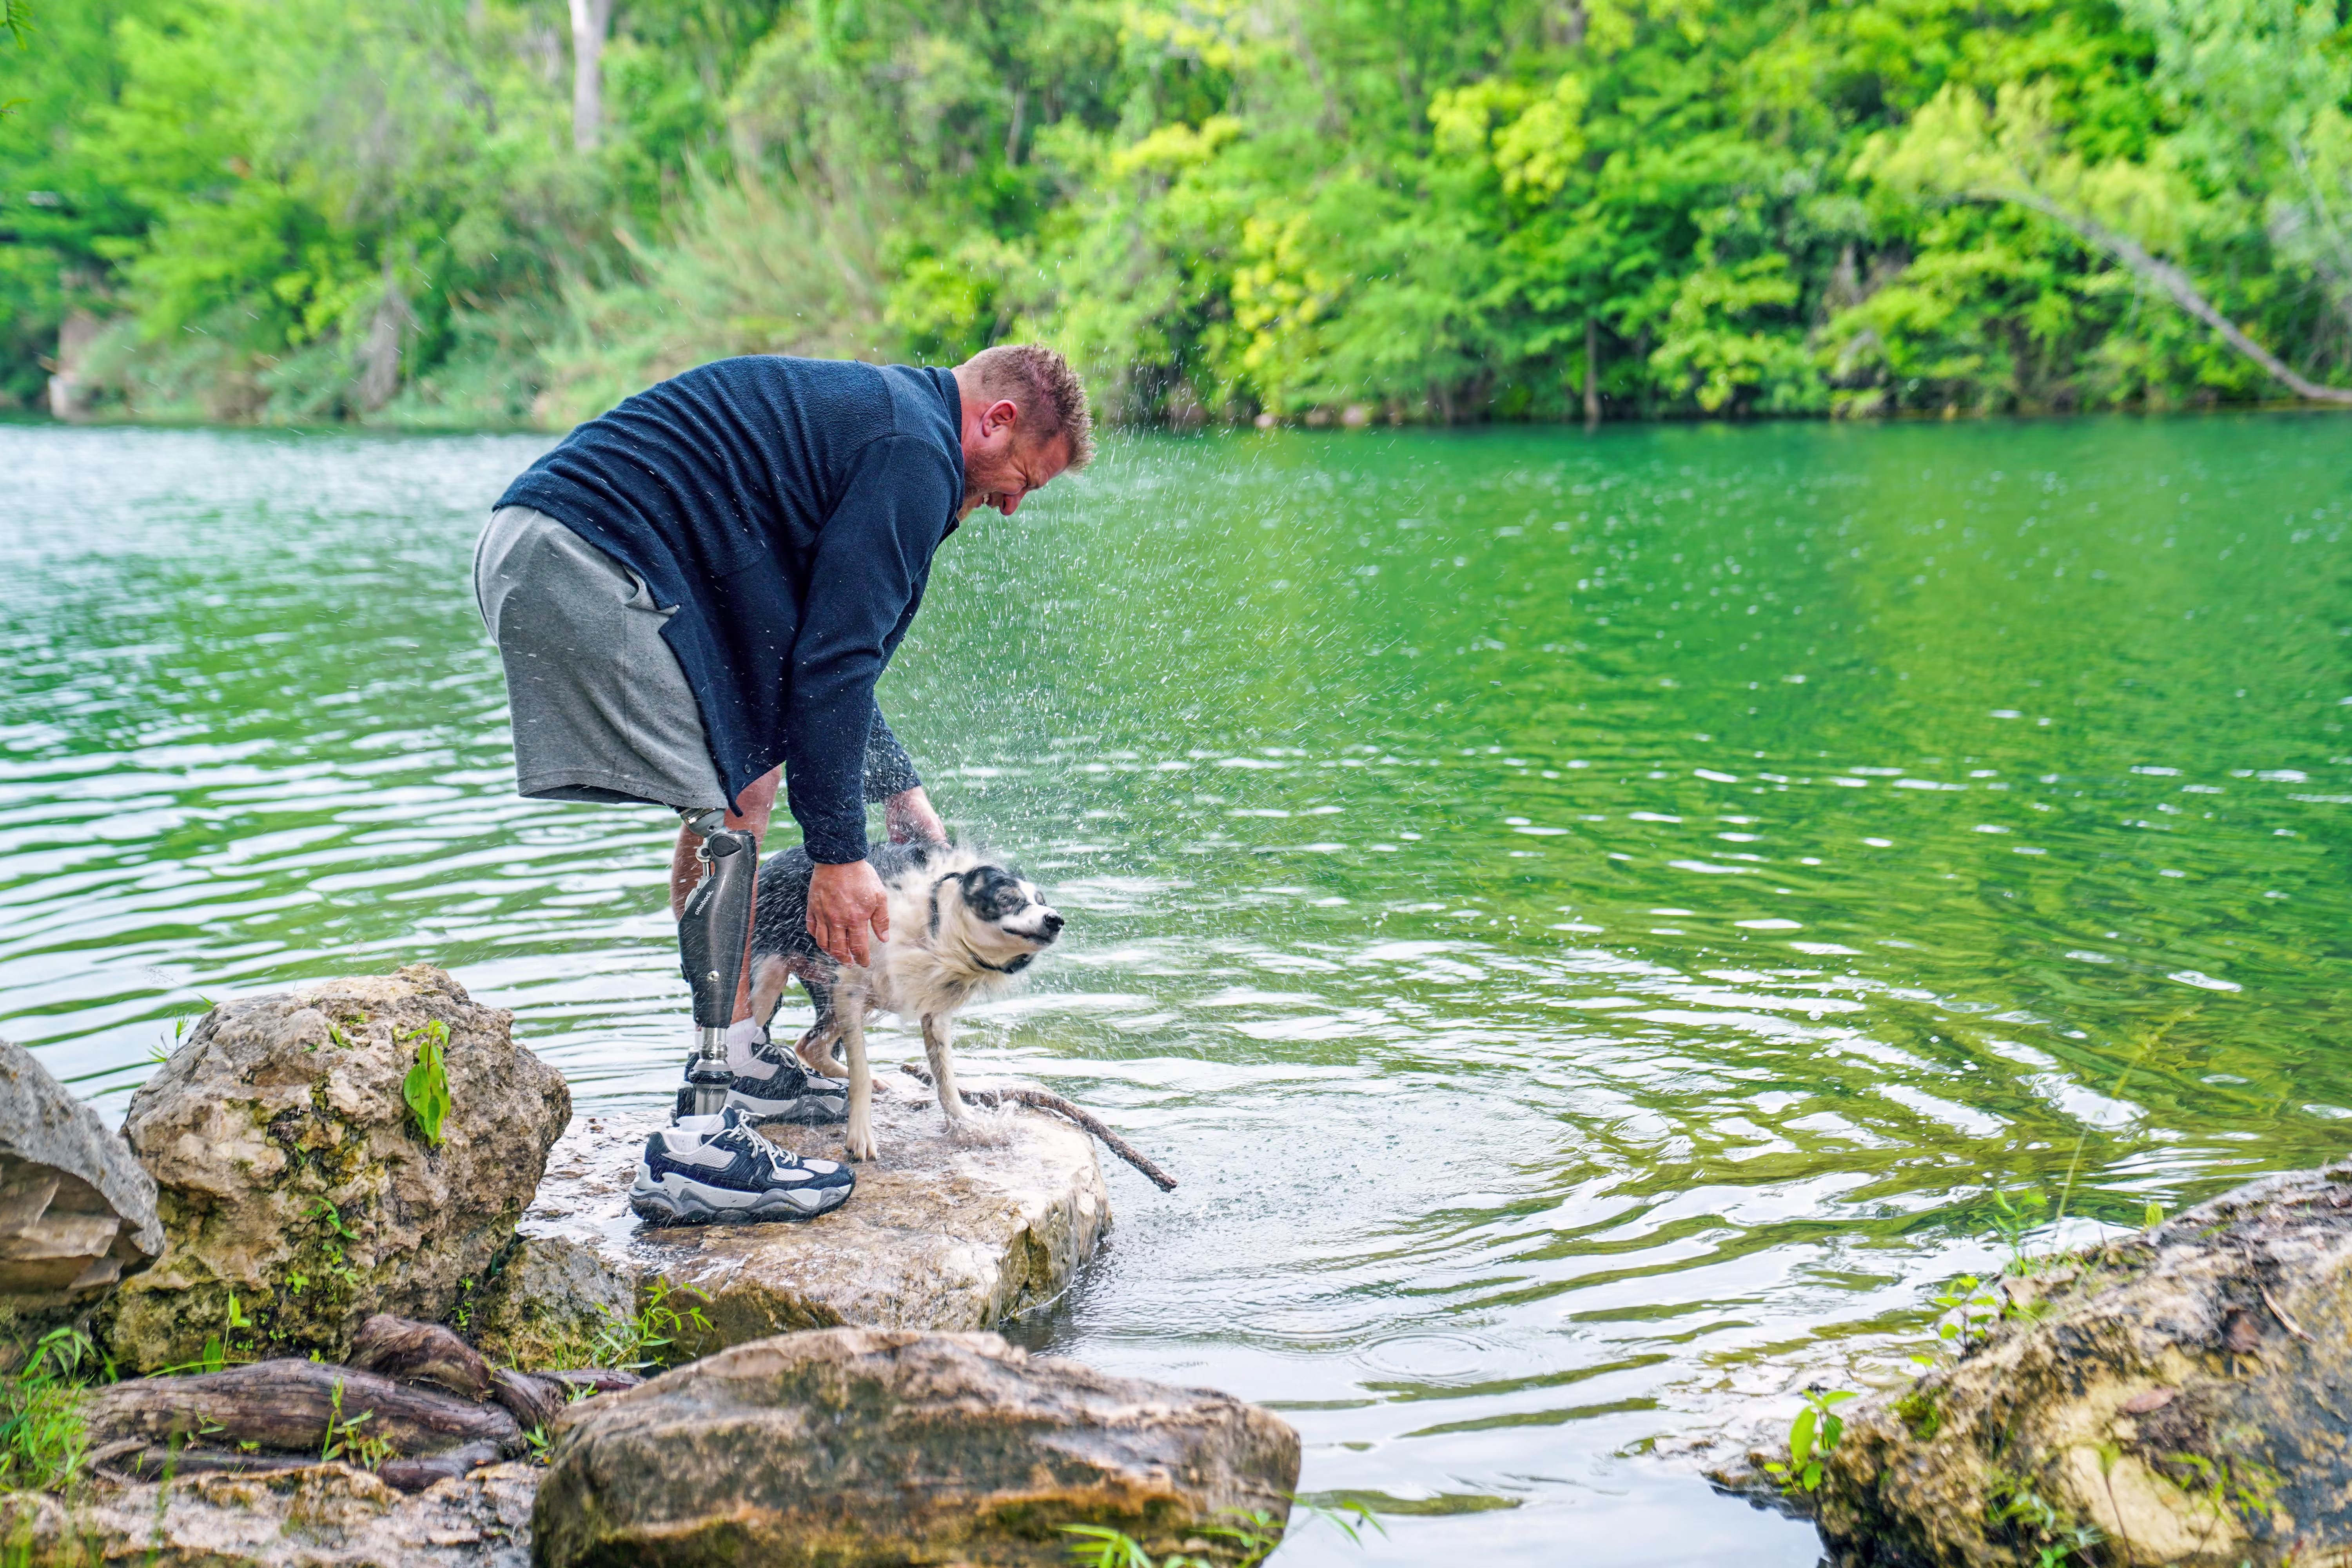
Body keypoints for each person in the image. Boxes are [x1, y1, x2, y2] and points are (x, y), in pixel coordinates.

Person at [472, 345, 1092, 1223]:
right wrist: (840, 856)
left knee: (749, 778)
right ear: (995, 420)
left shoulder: (897, 430)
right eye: (1022, 475)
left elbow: (812, 652)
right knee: (736, 799)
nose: (1014, 504)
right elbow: (832, 662)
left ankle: (741, 1060)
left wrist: (896, 786)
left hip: (557, 546)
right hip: (583, 559)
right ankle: (698, 1137)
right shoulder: (914, 454)